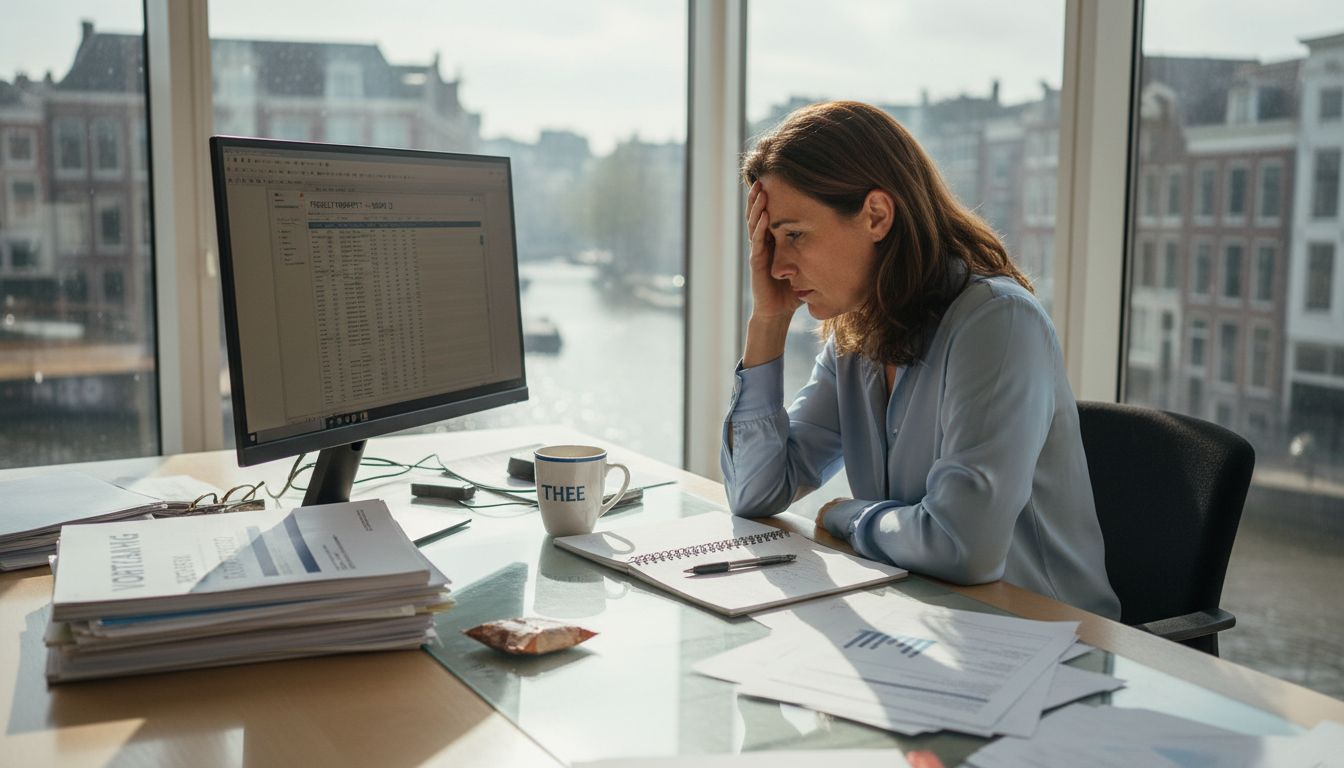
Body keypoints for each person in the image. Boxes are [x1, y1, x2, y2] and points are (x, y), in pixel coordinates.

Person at [720, 100, 1121, 619]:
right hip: (924, 624)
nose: (776, 267)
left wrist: (847, 517)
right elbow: (755, 492)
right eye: (768, 241)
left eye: (794, 234)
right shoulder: (853, 334)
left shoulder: (998, 324)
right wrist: (768, 324)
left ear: (876, 216)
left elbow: (962, 547)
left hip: (1049, 646)